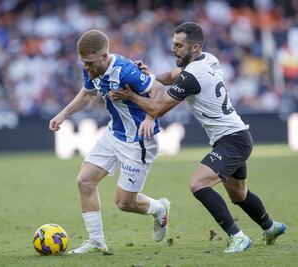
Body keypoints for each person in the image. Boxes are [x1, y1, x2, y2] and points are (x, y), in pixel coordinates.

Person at [110, 22, 287, 253]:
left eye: (179, 45)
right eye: (173, 44)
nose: (173, 49)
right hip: (236, 135)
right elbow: (175, 75)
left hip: (232, 139)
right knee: (239, 193)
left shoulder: (193, 76)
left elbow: (156, 108)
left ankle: (237, 236)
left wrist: (131, 95)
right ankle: (270, 226)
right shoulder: (208, 59)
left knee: (198, 184)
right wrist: (149, 77)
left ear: (195, 47)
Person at [48, 30, 170, 254]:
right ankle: (96, 241)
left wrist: (151, 117)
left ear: (105, 56)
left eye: (91, 62)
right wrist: (63, 114)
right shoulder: (92, 69)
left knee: (124, 204)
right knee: (84, 181)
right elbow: (87, 94)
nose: (88, 68)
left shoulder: (127, 71)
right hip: (114, 134)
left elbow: (160, 91)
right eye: (84, 63)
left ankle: (160, 209)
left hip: (138, 141)